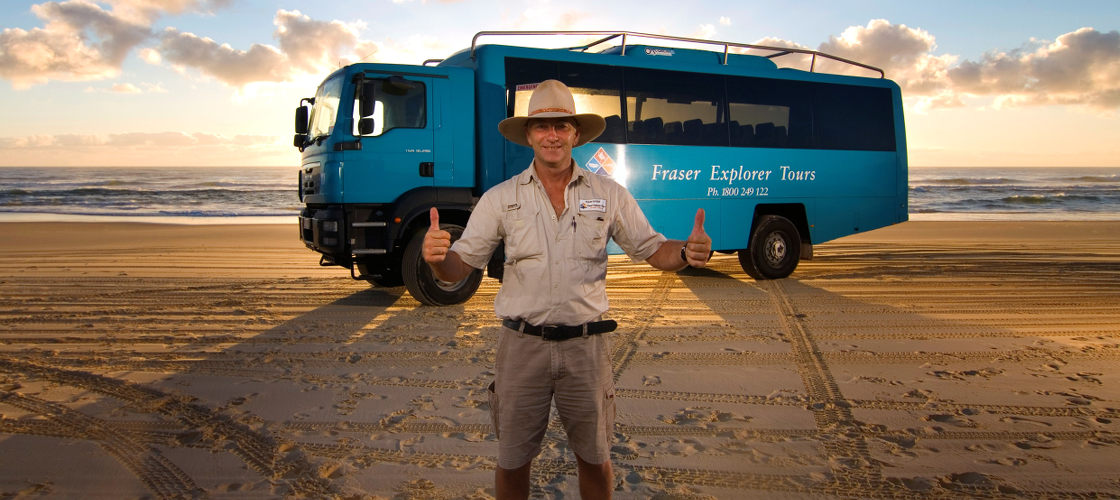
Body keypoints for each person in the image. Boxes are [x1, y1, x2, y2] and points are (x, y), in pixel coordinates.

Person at [423, 79, 711, 499]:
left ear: (576, 133)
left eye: (562, 125)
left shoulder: (609, 194)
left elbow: (653, 249)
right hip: (521, 345)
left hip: (586, 347)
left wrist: (686, 251)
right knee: (512, 459)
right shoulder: (500, 198)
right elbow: (459, 266)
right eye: (542, 127)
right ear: (528, 135)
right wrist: (436, 259)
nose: (552, 135)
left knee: (595, 458)